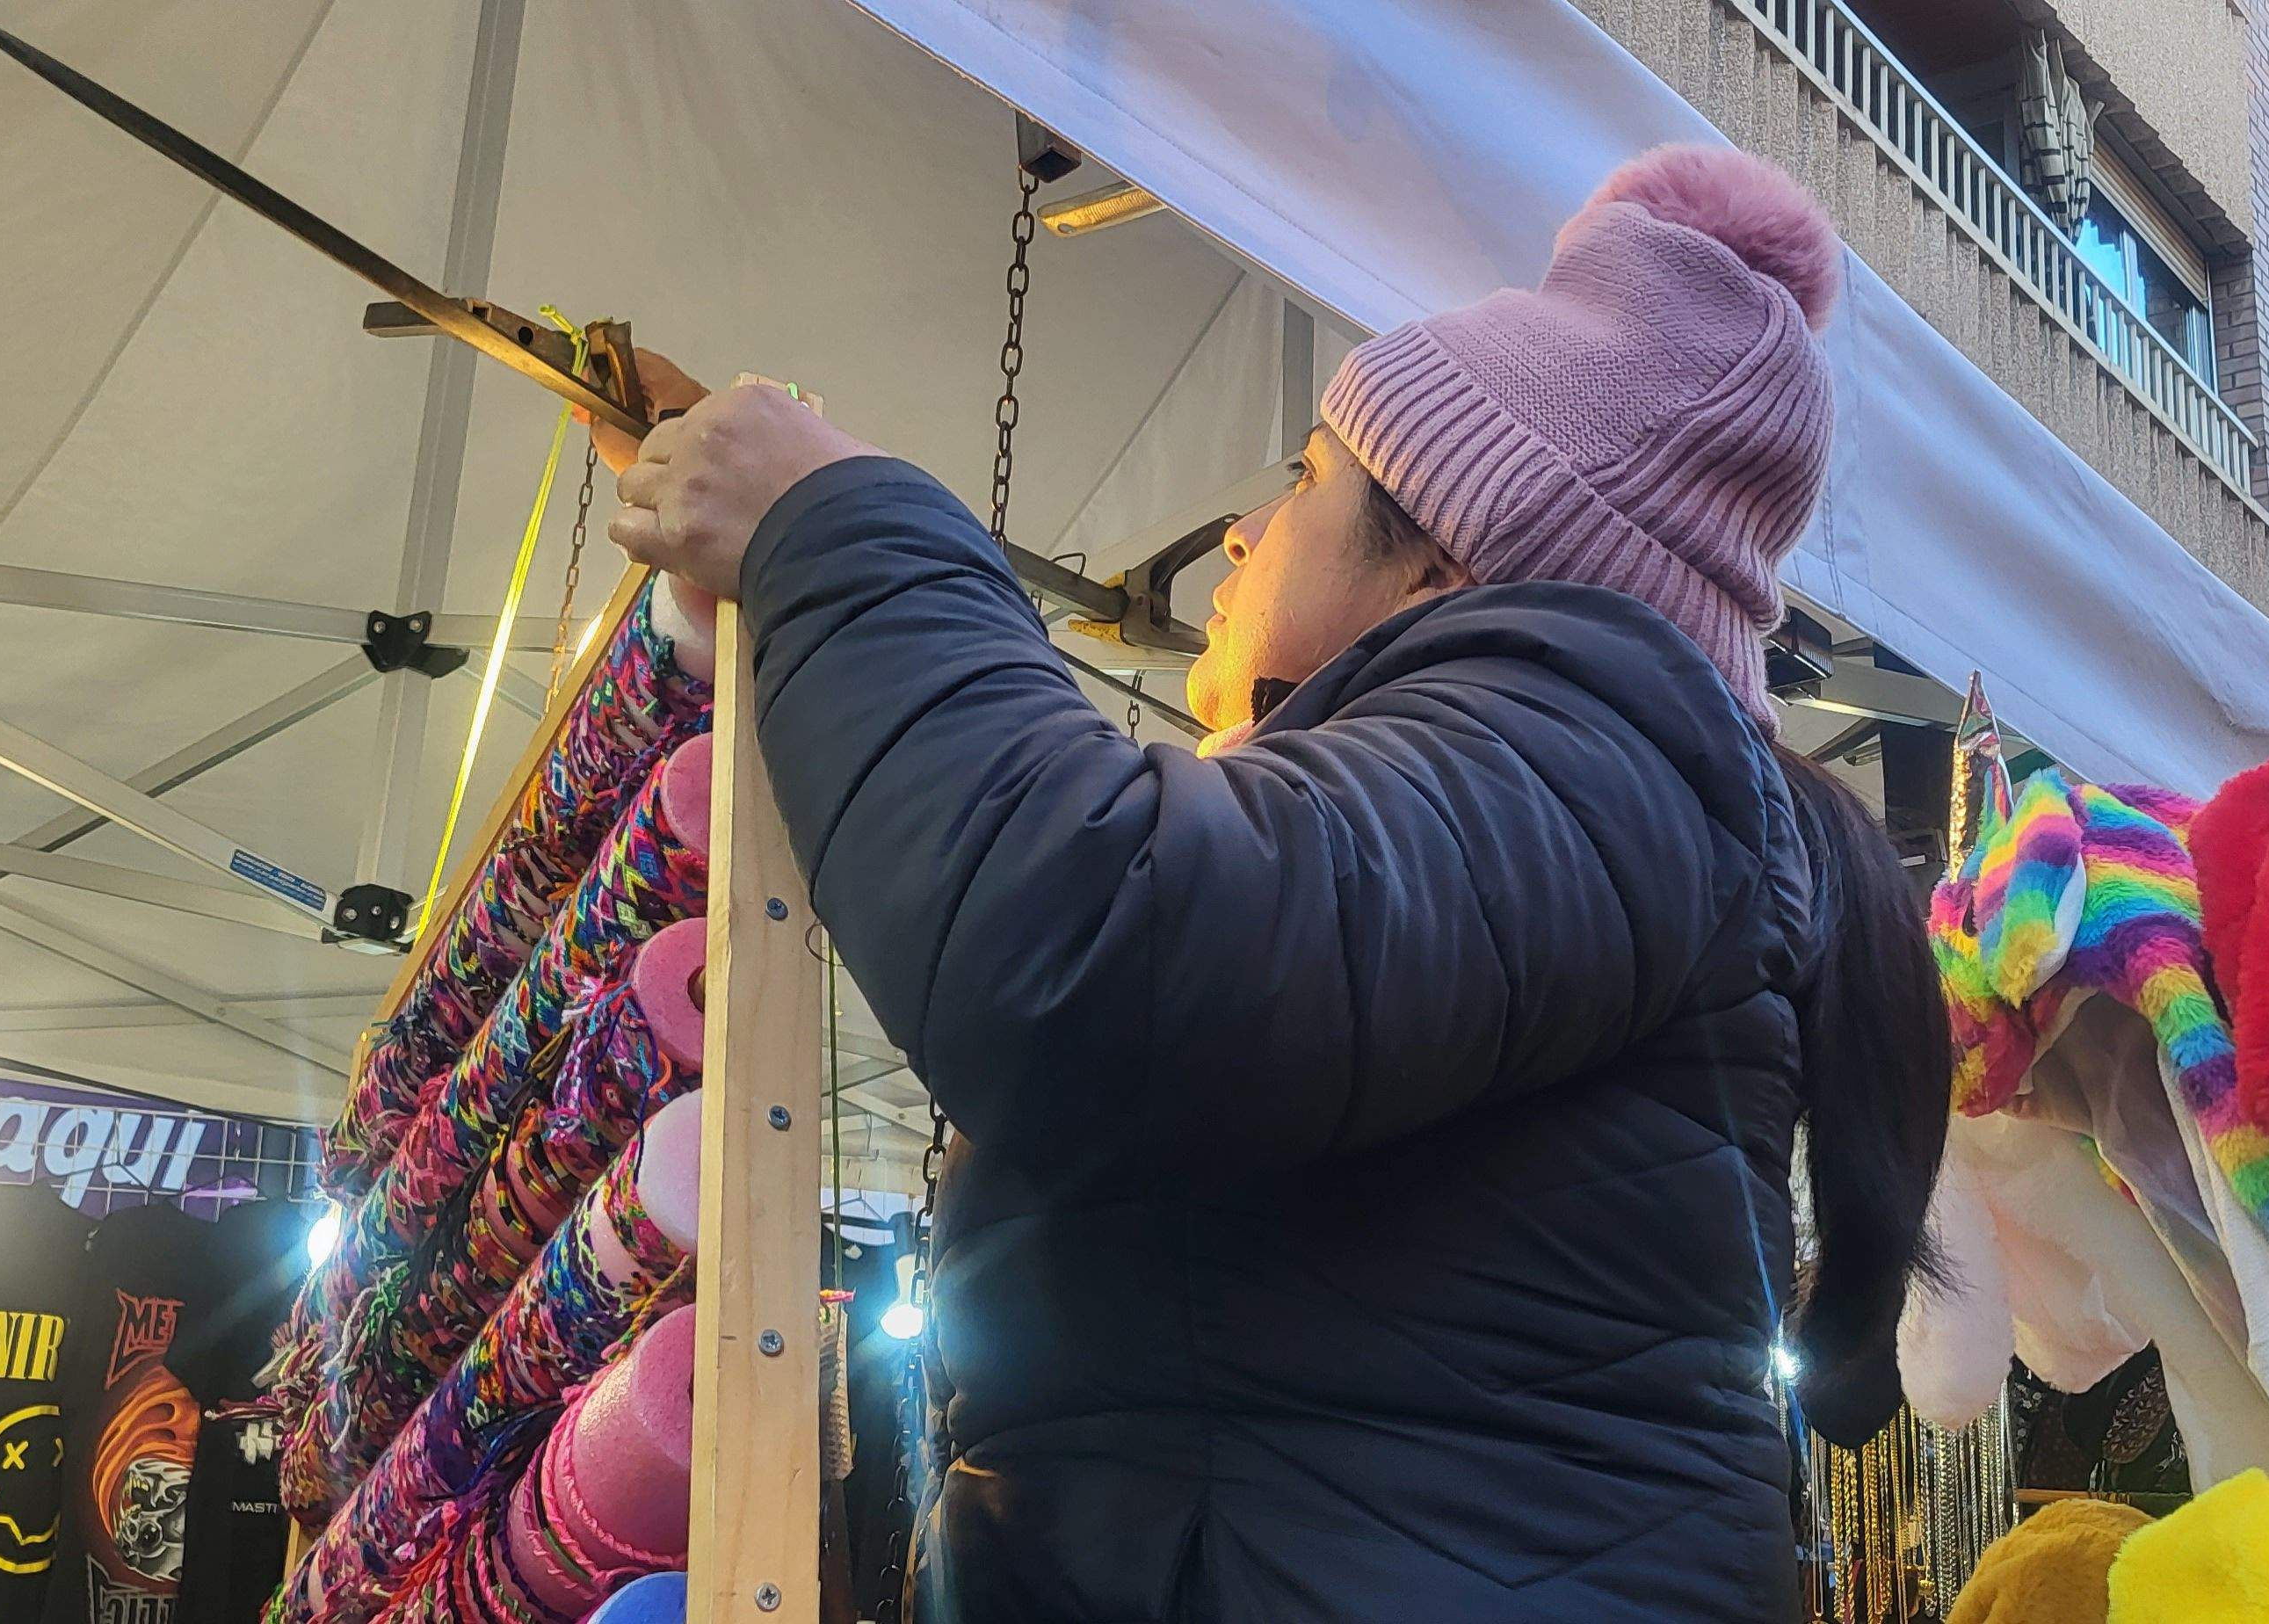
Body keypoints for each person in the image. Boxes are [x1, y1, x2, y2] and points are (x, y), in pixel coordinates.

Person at [600, 144, 1948, 1620]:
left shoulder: (1595, 747)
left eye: (1308, 477)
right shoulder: (1587, 799)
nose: (1243, 533)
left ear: (1446, 566)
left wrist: (842, 533)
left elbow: (1095, 950)